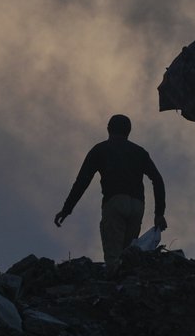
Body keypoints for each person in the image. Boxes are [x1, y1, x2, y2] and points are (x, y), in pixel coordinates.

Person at [55, 115, 166, 268]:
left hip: (115, 203)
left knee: (114, 259)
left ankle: (117, 286)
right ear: (129, 131)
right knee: (128, 257)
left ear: (108, 129)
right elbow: (158, 180)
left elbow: (82, 181)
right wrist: (159, 213)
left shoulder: (100, 150)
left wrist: (67, 209)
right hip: (137, 206)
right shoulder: (139, 152)